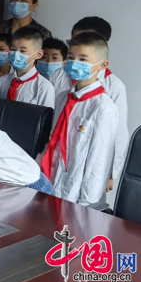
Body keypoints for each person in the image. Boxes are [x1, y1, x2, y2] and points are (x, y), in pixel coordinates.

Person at [50, 17, 128, 191]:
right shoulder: (60, 77)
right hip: (56, 163)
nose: (75, 61)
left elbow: (118, 134)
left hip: (87, 172)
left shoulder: (113, 88)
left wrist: (111, 173)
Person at [40, 32, 118, 206]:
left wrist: (86, 204)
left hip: (76, 195)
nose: (74, 63)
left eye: (83, 59)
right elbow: (53, 139)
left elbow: (99, 161)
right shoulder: (62, 98)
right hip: (49, 181)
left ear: (103, 65)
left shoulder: (103, 108)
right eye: (70, 57)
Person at [0, 26, 54, 108]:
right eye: (13, 49)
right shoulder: (2, 81)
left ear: (38, 54)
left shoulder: (44, 87)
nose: (16, 54)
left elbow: (46, 115)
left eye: (22, 51)